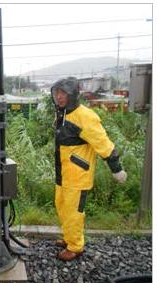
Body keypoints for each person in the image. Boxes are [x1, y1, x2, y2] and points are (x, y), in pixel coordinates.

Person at [49, 77, 127, 261]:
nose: (59, 97)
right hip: (63, 174)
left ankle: (76, 246)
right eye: (56, 93)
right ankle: (69, 238)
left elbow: (103, 144)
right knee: (62, 206)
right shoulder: (63, 114)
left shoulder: (86, 116)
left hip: (77, 176)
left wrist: (116, 169)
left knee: (74, 212)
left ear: (73, 95)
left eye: (63, 93)